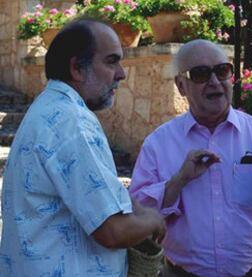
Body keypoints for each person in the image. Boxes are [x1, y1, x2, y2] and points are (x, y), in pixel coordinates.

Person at [0, 18, 165, 276]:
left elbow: (91, 192)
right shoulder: (72, 122)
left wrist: (134, 207)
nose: (121, 73)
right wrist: (153, 221)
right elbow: (112, 231)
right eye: (111, 61)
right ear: (77, 68)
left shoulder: (50, 109)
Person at [129, 39, 252, 277]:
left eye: (222, 71)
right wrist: (178, 181)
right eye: (200, 74)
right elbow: (137, 217)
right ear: (180, 85)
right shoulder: (158, 144)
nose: (214, 81)